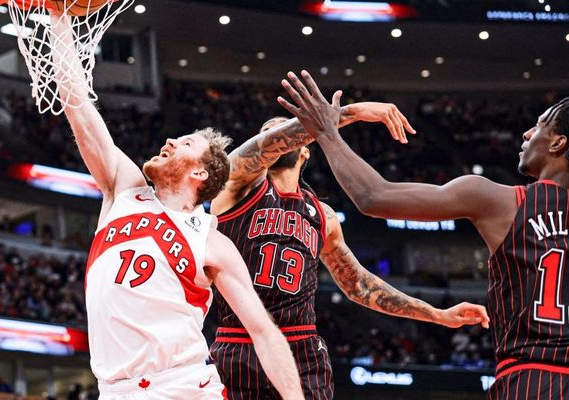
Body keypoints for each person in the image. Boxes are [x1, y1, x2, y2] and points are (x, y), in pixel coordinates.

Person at [50, 15, 304, 400]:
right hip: (115, 391)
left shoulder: (210, 241)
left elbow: (264, 332)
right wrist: (58, 21)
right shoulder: (125, 188)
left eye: (184, 143)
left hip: (181, 387)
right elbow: (79, 108)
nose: (169, 140)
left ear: (200, 172)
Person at [278, 70, 569, 399]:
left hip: (530, 378)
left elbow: (374, 197)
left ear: (558, 143)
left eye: (541, 126)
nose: (527, 133)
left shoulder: (501, 200)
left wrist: (327, 132)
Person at [209, 109, 490, 399]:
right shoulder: (235, 186)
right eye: (268, 132)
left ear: (304, 152)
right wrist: (351, 113)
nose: (276, 136)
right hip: (240, 342)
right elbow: (270, 143)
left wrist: (438, 315)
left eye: (287, 131)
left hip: (301, 347)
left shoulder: (323, 217)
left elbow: (360, 286)